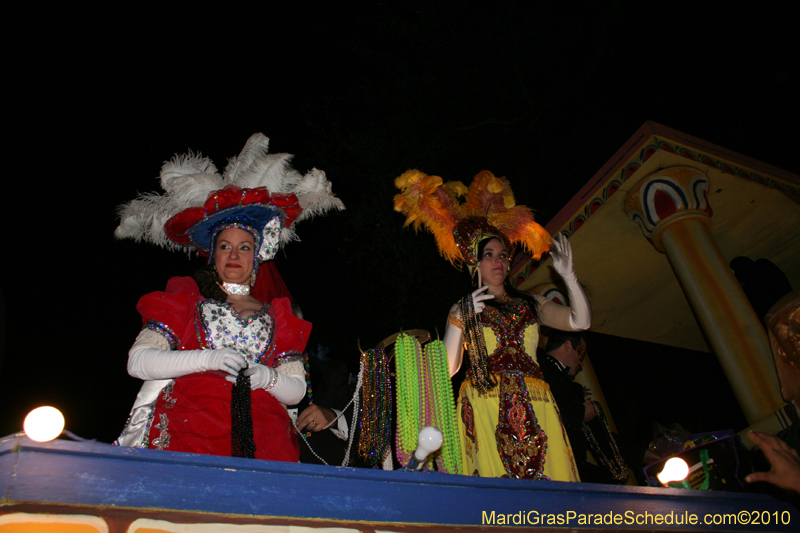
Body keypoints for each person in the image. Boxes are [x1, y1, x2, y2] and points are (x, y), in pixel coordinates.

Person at [114, 133, 344, 461]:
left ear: (257, 255)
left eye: (244, 247)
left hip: (264, 436)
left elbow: (295, 392)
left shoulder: (278, 315)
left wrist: (266, 376)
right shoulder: (186, 302)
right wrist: (208, 359)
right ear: (213, 255)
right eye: (225, 246)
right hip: (189, 429)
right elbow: (138, 362)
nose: (234, 255)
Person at [393, 170, 591, 480]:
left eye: (502, 255)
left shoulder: (531, 304)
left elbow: (581, 321)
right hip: (485, 402)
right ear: (475, 262)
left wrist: (569, 277)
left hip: (536, 399)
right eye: (489, 255)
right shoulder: (463, 307)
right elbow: (447, 369)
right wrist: (461, 318)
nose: (498, 261)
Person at [540, 332, 628, 483]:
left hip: (573, 466)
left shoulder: (570, 386)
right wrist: (580, 413)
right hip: (553, 465)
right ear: (568, 346)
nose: (581, 363)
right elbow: (546, 409)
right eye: (580, 353)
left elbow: (600, 435)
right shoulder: (541, 368)